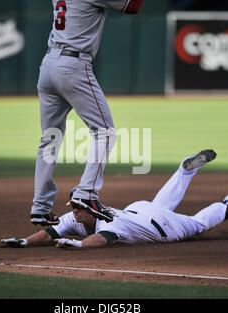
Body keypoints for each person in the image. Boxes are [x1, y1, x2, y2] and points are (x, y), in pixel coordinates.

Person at [30, 0, 146, 227]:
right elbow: (132, 6)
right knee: (104, 133)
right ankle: (87, 192)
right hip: (73, 65)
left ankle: (40, 207)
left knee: (50, 137)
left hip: (48, 65)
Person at [2, 150, 228, 249]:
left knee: (197, 224)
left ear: (91, 208)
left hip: (163, 227)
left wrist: (78, 245)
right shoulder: (79, 216)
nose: (74, 212)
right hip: (140, 211)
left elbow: (100, 239)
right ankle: (185, 170)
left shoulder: (109, 225)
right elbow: (50, 232)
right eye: (74, 207)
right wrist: (24, 241)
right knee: (160, 203)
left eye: (78, 207)